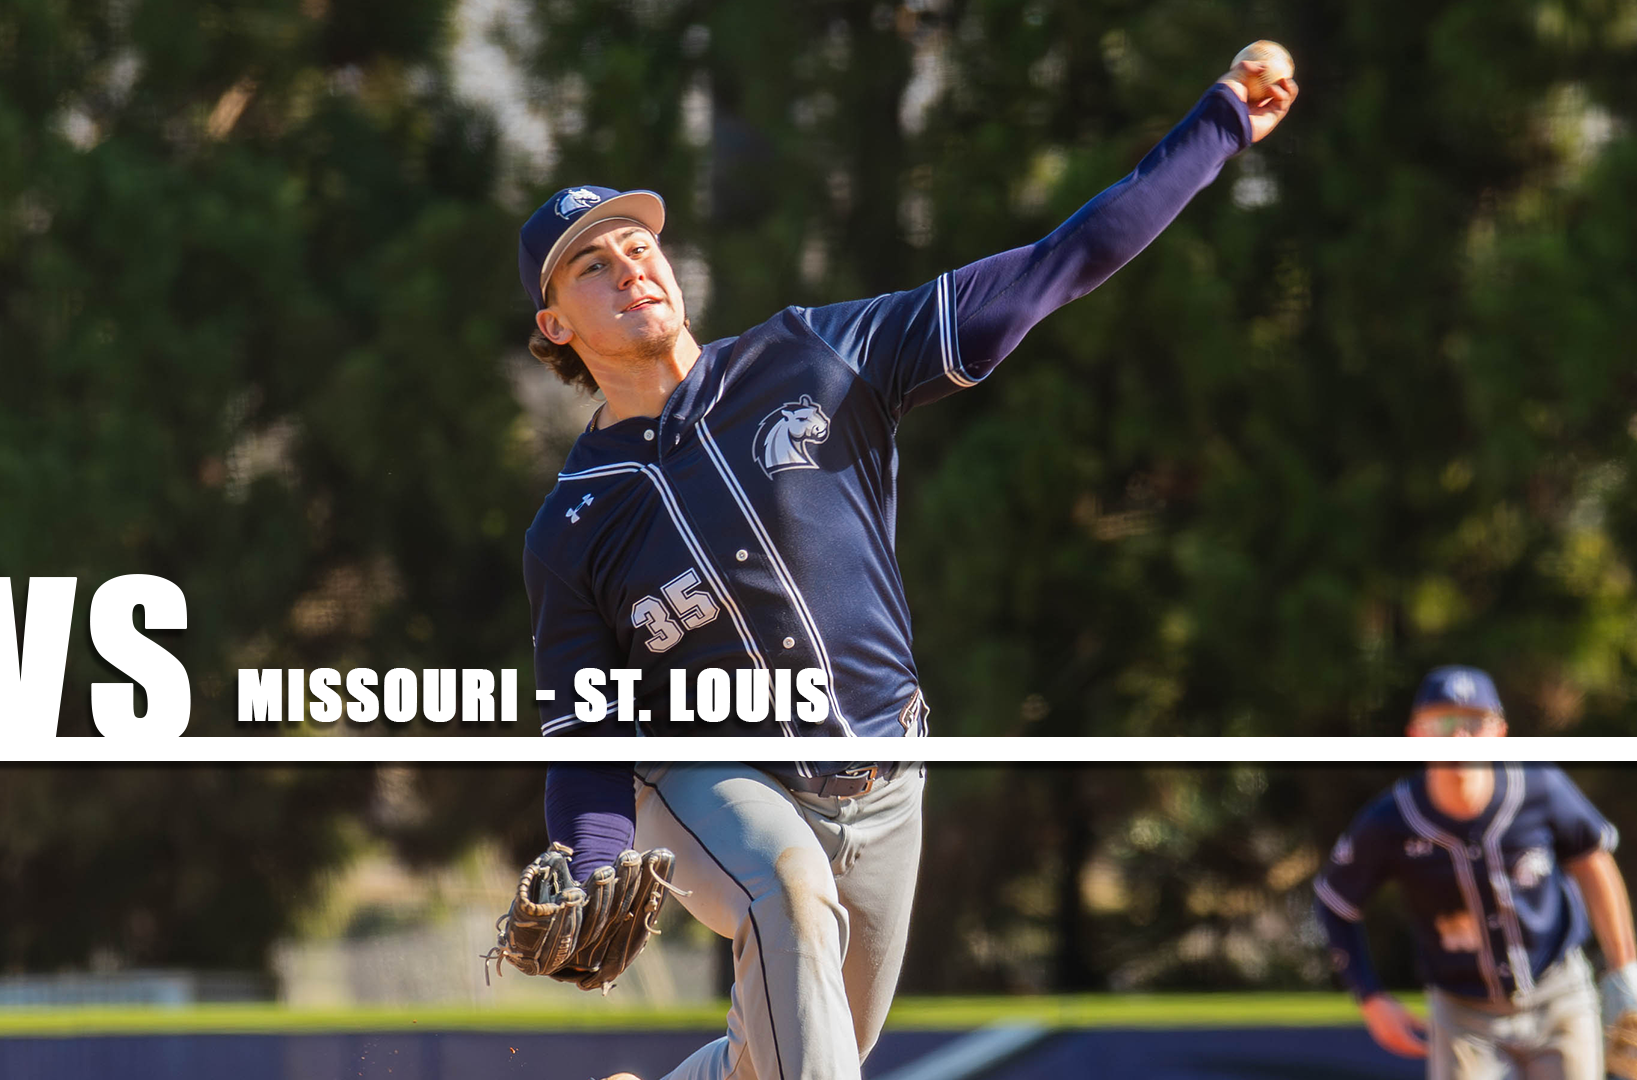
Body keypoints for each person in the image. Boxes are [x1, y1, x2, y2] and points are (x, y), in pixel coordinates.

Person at [518, 51, 1296, 1080]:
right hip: (713, 781)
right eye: (590, 265)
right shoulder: (573, 521)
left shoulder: (815, 358)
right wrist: (600, 855)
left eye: (637, 244)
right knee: (787, 886)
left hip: (885, 778)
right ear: (555, 326)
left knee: (804, 1046)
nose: (628, 267)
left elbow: (1059, 264)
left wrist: (1219, 127)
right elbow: (589, 724)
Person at [1314, 665, 1637, 1080]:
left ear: (1499, 731)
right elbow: (1334, 901)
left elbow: (1593, 861)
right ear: (1415, 735)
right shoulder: (1391, 820)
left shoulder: (1538, 786)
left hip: (1559, 993)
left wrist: (1624, 970)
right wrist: (1371, 997)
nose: (1458, 736)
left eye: (1474, 722)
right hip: (1463, 1013)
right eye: (1442, 722)